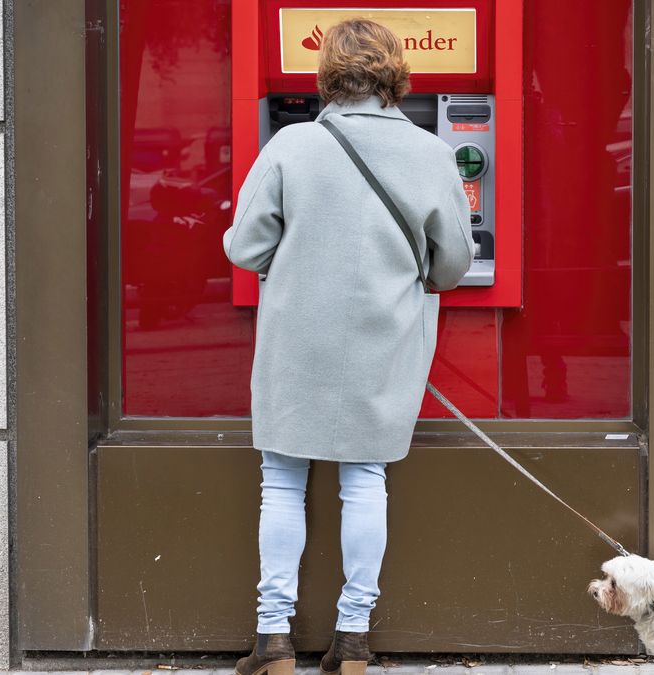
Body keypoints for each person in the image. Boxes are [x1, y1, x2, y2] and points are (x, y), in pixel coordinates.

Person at [222, 17, 473, 675]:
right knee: (365, 480)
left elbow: (245, 247)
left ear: (328, 75)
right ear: (396, 74)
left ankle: (273, 638)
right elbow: (450, 269)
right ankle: (353, 638)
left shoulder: (291, 146)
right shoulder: (432, 153)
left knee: (281, 480)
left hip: (295, 340)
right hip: (382, 343)